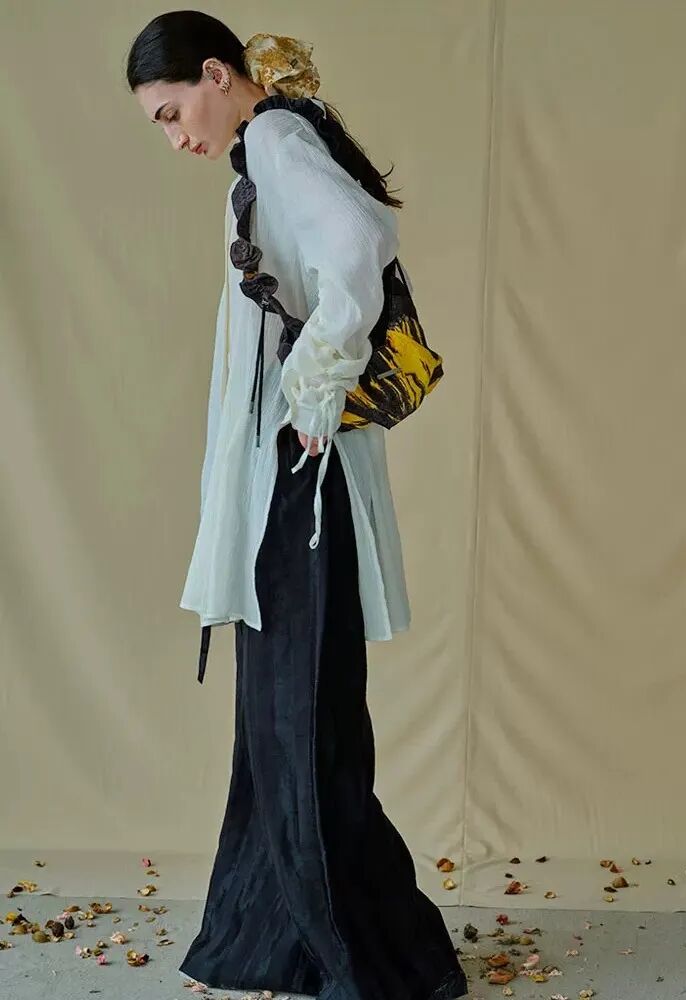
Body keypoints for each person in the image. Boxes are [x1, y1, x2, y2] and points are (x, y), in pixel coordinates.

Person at [127, 12, 468, 1000]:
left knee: (298, 717)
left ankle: (366, 956)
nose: (175, 138)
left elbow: (358, 242)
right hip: (285, 478)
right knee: (288, 719)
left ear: (216, 73)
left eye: (172, 111)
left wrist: (313, 395)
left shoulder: (275, 136)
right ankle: (287, 941)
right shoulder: (272, 139)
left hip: (296, 480)